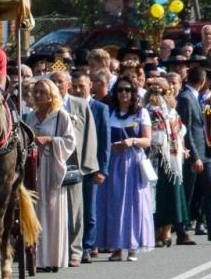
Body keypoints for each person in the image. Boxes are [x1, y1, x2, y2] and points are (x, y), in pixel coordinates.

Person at [96, 76, 154, 261]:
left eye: (128, 90)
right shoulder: (109, 112)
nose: (123, 93)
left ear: (133, 93)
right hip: (113, 160)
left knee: (132, 204)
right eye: (120, 90)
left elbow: (147, 140)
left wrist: (132, 141)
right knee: (113, 203)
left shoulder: (140, 113)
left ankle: (132, 246)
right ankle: (116, 247)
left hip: (133, 162)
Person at [23, 77, 77, 273]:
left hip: (52, 166)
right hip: (34, 167)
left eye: (41, 92)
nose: (37, 96)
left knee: (52, 212)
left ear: (51, 95)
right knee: (36, 211)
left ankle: (53, 258)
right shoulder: (31, 117)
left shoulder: (60, 115)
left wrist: (50, 140)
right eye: (35, 92)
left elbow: (70, 141)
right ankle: (37, 257)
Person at [177, 65, 211, 243]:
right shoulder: (185, 98)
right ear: (201, 81)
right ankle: (181, 230)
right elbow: (187, 130)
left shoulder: (195, 97)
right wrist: (195, 157)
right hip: (195, 155)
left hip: (205, 153)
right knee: (188, 193)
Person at [144, 78, 192, 247]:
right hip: (157, 157)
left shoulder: (172, 111)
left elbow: (180, 133)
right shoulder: (150, 111)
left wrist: (183, 148)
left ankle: (166, 230)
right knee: (158, 195)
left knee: (172, 194)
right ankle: (157, 230)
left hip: (173, 158)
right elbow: (155, 136)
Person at [61, 72, 99, 266]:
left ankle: (76, 251)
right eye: (54, 82)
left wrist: (88, 164)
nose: (57, 85)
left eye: (60, 81)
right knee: (55, 210)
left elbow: (90, 136)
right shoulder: (43, 106)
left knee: (76, 209)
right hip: (53, 164)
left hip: (75, 164)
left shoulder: (80, 104)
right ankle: (57, 251)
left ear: (68, 84)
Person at [82, 70, 113, 261]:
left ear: (90, 86)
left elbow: (105, 140)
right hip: (73, 166)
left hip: (92, 166)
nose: (78, 89)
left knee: (90, 210)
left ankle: (88, 245)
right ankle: (77, 245)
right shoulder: (66, 106)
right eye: (75, 86)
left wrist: (103, 168)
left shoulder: (100, 108)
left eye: (82, 86)